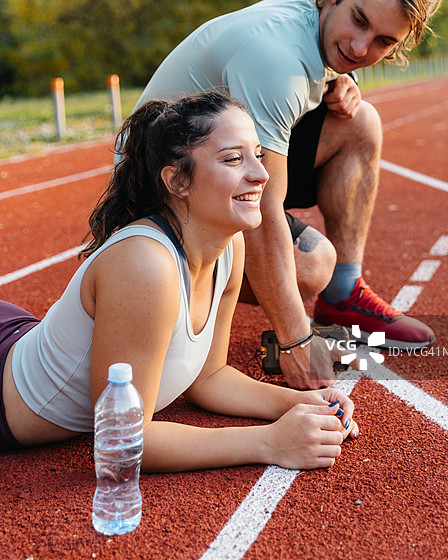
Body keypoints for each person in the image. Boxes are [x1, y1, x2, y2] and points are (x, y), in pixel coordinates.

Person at [133, 0, 444, 390]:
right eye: (359, 21)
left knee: (360, 122)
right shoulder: (276, 58)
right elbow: (263, 220)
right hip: (157, 200)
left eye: (383, 41)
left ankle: (343, 295)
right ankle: (179, 288)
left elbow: (331, 61)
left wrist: (343, 80)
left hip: (209, 163)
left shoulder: (314, 22)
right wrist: (297, 341)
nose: (360, 46)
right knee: (311, 264)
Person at [1, 91, 356, 469]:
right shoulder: (145, 264)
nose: (261, 173)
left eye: (259, 154)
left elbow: (209, 377)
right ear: (177, 181)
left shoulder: (231, 246)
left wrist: (301, 402)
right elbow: (120, 441)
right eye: (233, 159)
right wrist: (269, 441)